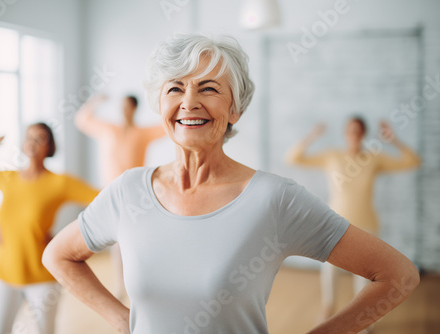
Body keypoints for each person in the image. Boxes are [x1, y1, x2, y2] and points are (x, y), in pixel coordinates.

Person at [43, 34, 419, 334]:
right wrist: (123, 320)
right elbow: (58, 256)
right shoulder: (127, 192)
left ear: (235, 108)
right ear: (161, 106)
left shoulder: (275, 199)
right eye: (175, 88)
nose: (189, 102)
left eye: (208, 88)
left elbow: (397, 275)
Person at [0, 123, 99, 334]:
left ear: (49, 147)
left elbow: (100, 199)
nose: (32, 142)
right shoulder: (8, 178)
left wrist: (68, 241)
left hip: (42, 275)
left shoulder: (59, 182)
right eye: (29, 137)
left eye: (40, 138)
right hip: (3, 272)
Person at [286, 118, 421, 322]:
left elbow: (412, 161)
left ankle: (362, 318)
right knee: (330, 270)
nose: (354, 135)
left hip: (366, 224)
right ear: (344, 133)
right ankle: (328, 309)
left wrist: (394, 140)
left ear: (363, 134)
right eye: (350, 131)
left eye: (358, 131)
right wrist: (312, 136)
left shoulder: (374, 158)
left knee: (365, 277)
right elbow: (293, 158)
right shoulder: (332, 156)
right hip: (334, 224)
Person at [74, 93, 166, 305]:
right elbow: (82, 119)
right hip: (110, 195)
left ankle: (142, 285)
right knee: (116, 244)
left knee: (136, 242)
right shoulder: (108, 129)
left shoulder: (142, 133)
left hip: (135, 195)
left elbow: (167, 126)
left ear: (134, 109)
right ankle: (120, 286)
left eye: (128, 107)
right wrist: (96, 100)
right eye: (122, 106)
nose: (124, 110)